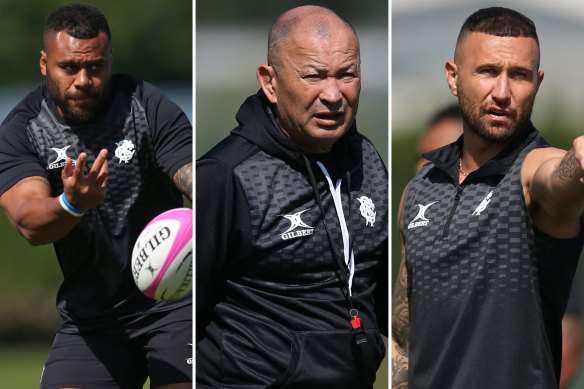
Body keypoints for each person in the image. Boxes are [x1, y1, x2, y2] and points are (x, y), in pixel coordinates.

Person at [0, 4, 192, 388]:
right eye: (69, 67)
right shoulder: (23, 130)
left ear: (109, 61)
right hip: (91, 318)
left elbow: (191, 175)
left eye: (96, 66)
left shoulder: (147, 106)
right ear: (44, 63)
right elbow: (28, 221)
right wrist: (72, 204)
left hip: (175, 304)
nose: (84, 80)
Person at [196, 5, 388, 388]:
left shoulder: (367, 159)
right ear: (270, 82)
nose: (333, 94)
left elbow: (379, 297)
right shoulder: (226, 175)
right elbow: (185, 313)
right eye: (314, 76)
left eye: (347, 75)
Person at [392, 7, 584, 389]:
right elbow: (403, 331)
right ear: (453, 76)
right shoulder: (420, 188)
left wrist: (578, 166)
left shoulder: (532, 172)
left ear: (537, 82)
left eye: (519, 75)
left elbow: (557, 180)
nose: (502, 92)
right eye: (487, 71)